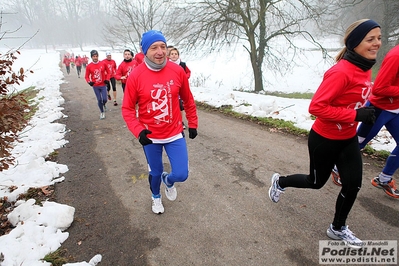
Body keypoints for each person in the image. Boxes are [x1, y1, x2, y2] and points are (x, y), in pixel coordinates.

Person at [268, 19, 381, 248]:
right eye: (370, 39)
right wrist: (356, 115)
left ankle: (337, 228)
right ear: (356, 43)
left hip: (347, 138)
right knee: (316, 182)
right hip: (325, 139)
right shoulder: (341, 72)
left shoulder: (364, 66)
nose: (377, 43)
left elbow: (352, 98)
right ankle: (280, 181)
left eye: (379, 38)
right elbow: (316, 108)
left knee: (352, 185)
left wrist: (364, 110)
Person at [122, 30, 198, 214]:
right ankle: (156, 197)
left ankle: (169, 181)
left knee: (182, 174)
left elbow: (188, 100)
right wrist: (138, 131)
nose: (160, 51)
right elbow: (128, 109)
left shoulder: (177, 70)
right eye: (154, 47)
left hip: (174, 133)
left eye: (163, 47)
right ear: (144, 50)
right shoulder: (136, 75)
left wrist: (193, 123)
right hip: (151, 136)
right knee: (155, 172)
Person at [331, 44, 399, 198]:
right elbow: (379, 89)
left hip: (396, 110)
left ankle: (384, 179)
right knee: (358, 143)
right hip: (379, 109)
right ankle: (337, 167)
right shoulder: (396, 56)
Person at [169, 47, 192, 129]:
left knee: (180, 106)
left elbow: (188, 72)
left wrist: (184, 78)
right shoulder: (166, 65)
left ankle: (180, 121)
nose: (174, 55)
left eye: (175, 54)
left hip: (181, 88)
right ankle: (171, 121)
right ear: (169, 56)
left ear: (178, 55)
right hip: (170, 88)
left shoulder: (182, 64)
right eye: (172, 54)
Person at [85, 50, 110, 120]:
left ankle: (104, 104)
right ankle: (102, 112)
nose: (95, 58)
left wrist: (107, 79)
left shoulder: (103, 63)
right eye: (93, 56)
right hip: (95, 86)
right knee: (99, 99)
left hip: (103, 84)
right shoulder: (89, 66)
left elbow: (108, 72)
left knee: (105, 99)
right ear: (91, 57)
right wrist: (89, 82)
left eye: (96, 56)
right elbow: (86, 76)